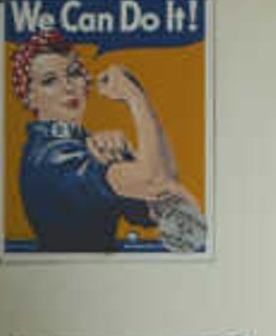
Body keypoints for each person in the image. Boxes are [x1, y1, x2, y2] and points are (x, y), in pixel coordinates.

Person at [12, 35, 199, 253]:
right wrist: (135, 98)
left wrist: (129, 157)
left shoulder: (83, 146)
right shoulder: (52, 157)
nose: (68, 87)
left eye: (73, 73)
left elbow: (166, 197)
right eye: (50, 81)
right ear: (29, 97)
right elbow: (155, 181)